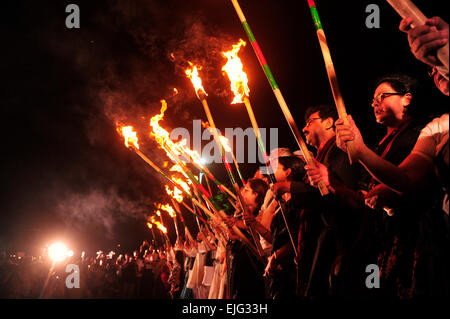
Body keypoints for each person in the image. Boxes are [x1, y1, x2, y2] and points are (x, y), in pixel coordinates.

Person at [273, 104, 367, 298]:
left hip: (337, 248)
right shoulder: (319, 158)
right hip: (316, 245)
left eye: (309, 122)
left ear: (328, 122)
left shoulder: (342, 152)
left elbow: (336, 196)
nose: (304, 129)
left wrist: (288, 187)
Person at [224, 178, 268, 299]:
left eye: (247, 190)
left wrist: (236, 222)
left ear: (256, 194)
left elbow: (258, 230)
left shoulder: (262, 211)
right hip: (241, 262)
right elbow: (234, 236)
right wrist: (229, 225)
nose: (242, 193)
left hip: (255, 266)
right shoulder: (241, 213)